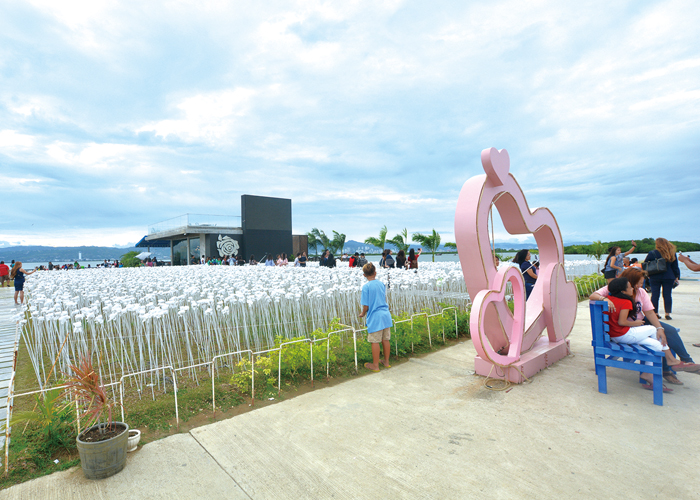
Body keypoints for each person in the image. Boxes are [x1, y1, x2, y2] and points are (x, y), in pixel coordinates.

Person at [589, 268, 699, 384]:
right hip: (627, 328)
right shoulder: (616, 287)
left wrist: (660, 328)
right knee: (657, 335)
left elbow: (650, 312)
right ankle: (667, 370)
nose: (641, 285)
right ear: (629, 282)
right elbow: (593, 295)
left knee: (668, 331)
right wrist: (604, 298)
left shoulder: (641, 292)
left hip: (640, 322)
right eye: (639, 282)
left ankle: (686, 362)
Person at [359, 263, 393, 372]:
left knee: (375, 341)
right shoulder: (381, 284)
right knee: (385, 339)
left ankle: (375, 365)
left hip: (375, 317)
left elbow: (366, 305)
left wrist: (362, 313)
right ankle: (386, 362)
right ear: (375, 273)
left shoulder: (366, 287)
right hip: (385, 314)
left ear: (364, 275)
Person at [644, 238, 680, 320]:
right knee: (667, 295)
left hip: (655, 276)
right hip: (669, 276)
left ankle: (655, 313)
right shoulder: (671, 253)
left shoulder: (652, 253)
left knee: (655, 295)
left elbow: (646, 264)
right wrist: (676, 276)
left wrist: (648, 274)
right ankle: (667, 313)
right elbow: (675, 267)